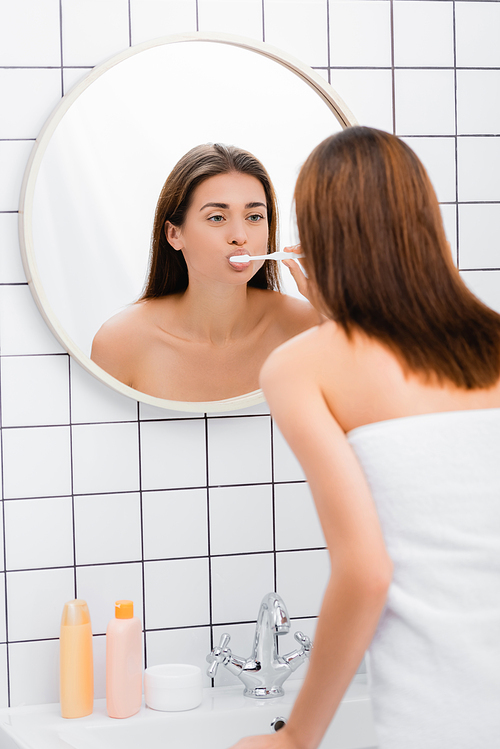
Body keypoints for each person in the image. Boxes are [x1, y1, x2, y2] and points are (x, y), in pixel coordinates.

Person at [231, 127, 500, 748]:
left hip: (447, 715)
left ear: (320, 234)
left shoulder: (300, 367)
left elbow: (366, 573)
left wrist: (297, 735)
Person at [91, 144, 319, 402]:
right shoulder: (119, 343)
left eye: (254, 217)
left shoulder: (310, 328)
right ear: (174, 234)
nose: (240, 237)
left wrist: (337, 312)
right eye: (217, 217)